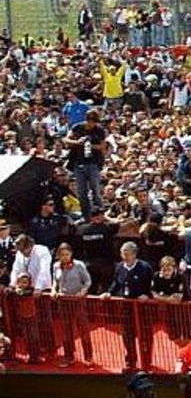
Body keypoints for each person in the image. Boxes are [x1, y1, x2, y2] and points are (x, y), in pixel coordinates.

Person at [102, 241, 155, 373]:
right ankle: (131, 361)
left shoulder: (145, 267)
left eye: (128, 254)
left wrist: (147, 295)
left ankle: (146, 362)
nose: (125, 257)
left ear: (134, 254)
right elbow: (116, 283)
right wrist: (109, 292)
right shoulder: (119, 267)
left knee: (145, 336)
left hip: (142, 308)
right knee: (127, 336)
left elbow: (152, 285)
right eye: (123, 254)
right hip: (125, 308)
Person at [52, 242, 94, 368]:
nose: (65, 257)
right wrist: (54, 290)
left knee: (83, 329)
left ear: (71, 254)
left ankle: (88, 356)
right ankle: (69, 356)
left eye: (67, 254)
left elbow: (87, 281)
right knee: (66, 330)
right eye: (62, 255)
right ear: (58, 255)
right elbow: (55, 280)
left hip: (77, 301)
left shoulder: (79, 265)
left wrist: (83, 291)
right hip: (63, 301)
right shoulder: (56, 266)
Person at [65, 109, 106, 219]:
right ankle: (86, 215)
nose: (91, 123)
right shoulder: (77, 127)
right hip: (79, 163)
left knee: (95, 191)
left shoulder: (99, 131)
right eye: (90, 120)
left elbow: (102, 146)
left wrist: (91, 146)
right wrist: (78, 142)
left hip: (93, 163)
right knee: (82, 193)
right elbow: (66, 140)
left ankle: (100, 214)